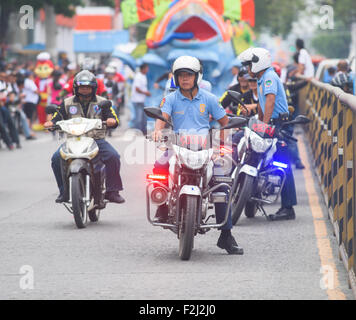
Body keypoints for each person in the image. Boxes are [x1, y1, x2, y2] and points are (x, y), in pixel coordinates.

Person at [152, 55, 243, 255]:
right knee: (159, 165)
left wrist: (224, 140)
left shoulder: (209, 99)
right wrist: (158, 131)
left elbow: (225, 122)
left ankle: (226, 235)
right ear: (176, 78)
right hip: (177, 145)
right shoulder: (171, 98)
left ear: (197, 77)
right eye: (181, 75)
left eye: (189, 75)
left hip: (205, 148)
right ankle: (162, 208)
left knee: (222, 185)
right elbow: (162, 117)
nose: (185, 79)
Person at [44, 70, 125, 204]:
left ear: (93, 88)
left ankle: (112, 191)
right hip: (73, 140)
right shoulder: (66, 103)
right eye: (82, 87)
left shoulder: (103, 102)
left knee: (113, 156)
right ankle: (64, 191)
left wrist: (112, 121)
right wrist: (50, 123)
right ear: (76, 88)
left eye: (88, 87)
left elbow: (113, 118)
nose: (85, 89)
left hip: (96, 140)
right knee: (56, 158)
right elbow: (56, 118)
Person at [238, 47, 297, 221]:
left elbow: (270, 101)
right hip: (270, 123)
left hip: (278, 124)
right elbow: (263, 105)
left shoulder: (269, 77)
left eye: (249, 65)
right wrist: (259, 123)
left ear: (257, 64)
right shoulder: (262, 78)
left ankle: (288, 207)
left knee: (282, 165)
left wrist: (264, 125)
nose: (248, 69)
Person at [131, 63, 151, 134]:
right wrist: (146, 93)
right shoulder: (138, 76)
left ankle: (143, 130)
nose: (147, 70)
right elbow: (137, 89)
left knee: (143, 117)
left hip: (141, 100)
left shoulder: (143, 76)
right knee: (139, 118)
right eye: (147, 68)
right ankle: (138, 131)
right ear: (143, 69)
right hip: (137, 100)